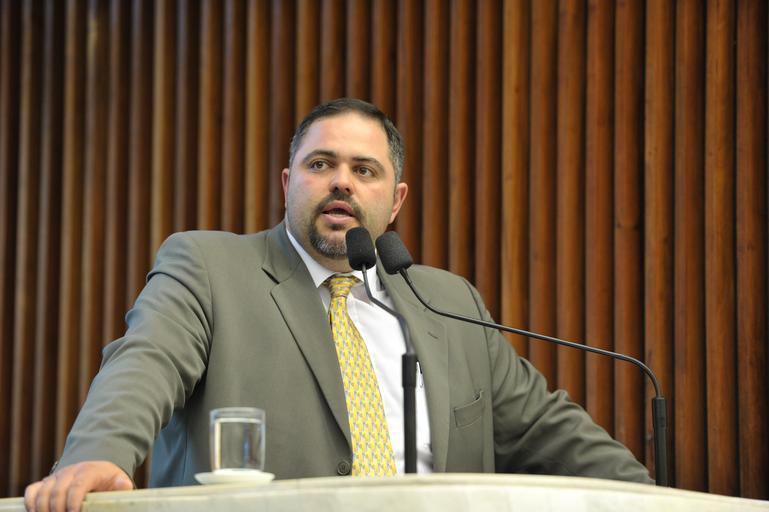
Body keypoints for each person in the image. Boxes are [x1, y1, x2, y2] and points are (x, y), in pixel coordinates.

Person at [25, 98, 651, 512]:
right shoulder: (210, 269)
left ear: (396, 200)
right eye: (321, 164)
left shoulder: (447, 302)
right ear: (288, 184)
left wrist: (656, 498)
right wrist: (97, 456)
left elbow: (544, 429)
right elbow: (144, 364)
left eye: (365, 170)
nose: (342, 181)